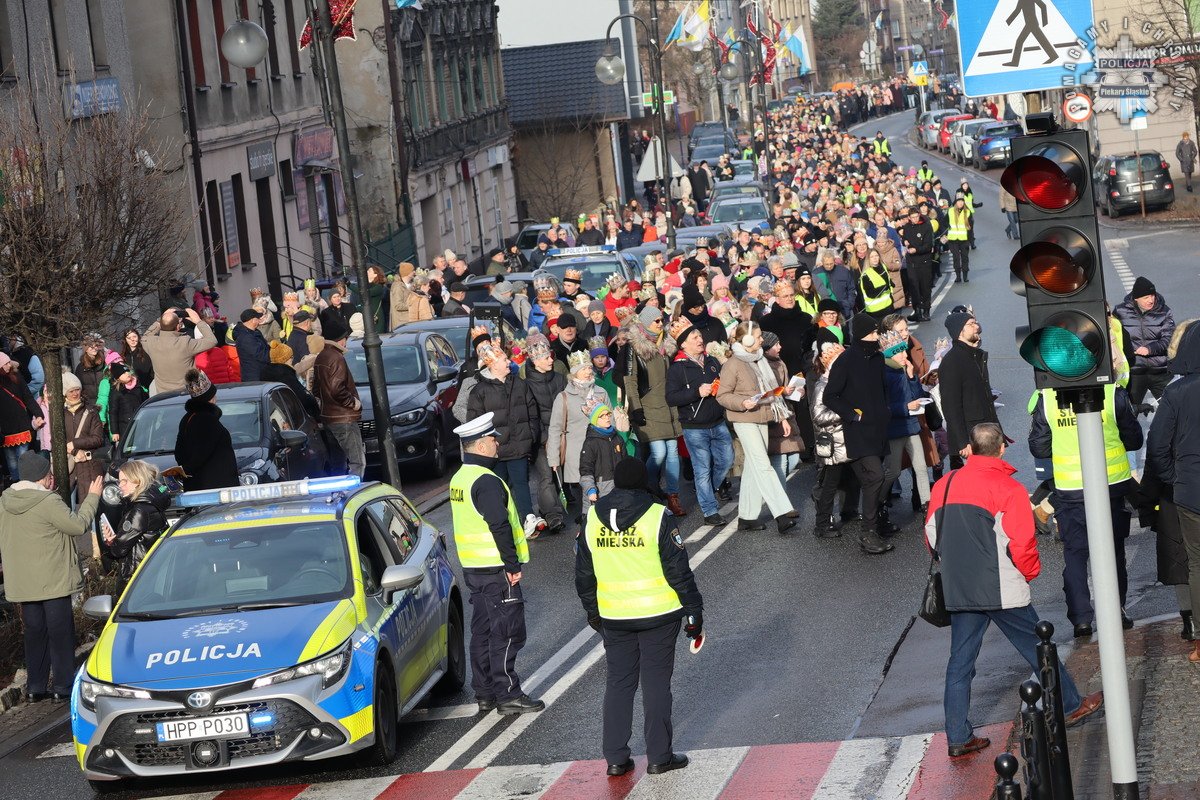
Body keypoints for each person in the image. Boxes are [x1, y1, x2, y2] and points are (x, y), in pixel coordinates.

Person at [927, 423, 1103, 758]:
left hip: (960, 586)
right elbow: (1022, 542)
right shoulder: (1008, 488)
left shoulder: (944, 485)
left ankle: (958, 736)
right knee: (1039, 649)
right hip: (1001, 586)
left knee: (960, 662)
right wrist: (1029, 573)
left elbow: (932, 535)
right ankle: (1070, 705)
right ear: (1001, 449)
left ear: (970, 448)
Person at [575, 456, 701, 777]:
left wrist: (594, 613)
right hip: (659, 614)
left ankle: (616, 758)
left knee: (619, 684)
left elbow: (584, 575)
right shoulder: (658, 515)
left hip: (614, 616)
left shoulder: (593, 518)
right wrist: (693, 610)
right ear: (644, 481)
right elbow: (678, 571)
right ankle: (660, 756)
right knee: (656, 684)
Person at [449, 412, 545, 716]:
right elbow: (499, 525)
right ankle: (508, 694)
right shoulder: (487, 481)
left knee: (483, 631)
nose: (497, 444)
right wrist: (512, 564)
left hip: (474, 567)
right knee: (507, 632)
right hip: (496, 569)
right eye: (492, 440)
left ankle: (486, 692)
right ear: (480, 445)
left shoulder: (460, 478)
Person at [1030, 379, 1143, 637]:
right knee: (1113, 552)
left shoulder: (1048, 396)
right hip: (1109, 485)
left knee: (1075, 554)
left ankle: (1081, 619)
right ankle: (1115, 611)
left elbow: (1039, 446)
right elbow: (1134, 439)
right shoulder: (1111, 391)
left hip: (1071, 489)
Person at [0, 452, 101, 702]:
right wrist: (92, 498)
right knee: (60, 632)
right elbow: (78, 526)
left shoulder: (5, 501)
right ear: (44, 478)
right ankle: (62, 685)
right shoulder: (48, 501)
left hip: (24, 582)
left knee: (34, 632)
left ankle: (35, 687)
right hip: (53, 578)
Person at [822, 314, 896, 554]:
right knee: (875, 476)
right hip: (858, 431)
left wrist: (885, 411)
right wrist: (853, 415)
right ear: (863, 334)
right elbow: (830, 396)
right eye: (873, 332)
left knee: (874, 480)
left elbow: (882, 389)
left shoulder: (878, 358)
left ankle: (876, 523)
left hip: (879, 429)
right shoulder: (846, 360)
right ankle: (868, 533)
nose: (876, 336)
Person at [1148, 321, 1200, 658]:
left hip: (1191, 491)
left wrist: (1174, 477)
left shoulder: (1177, 392)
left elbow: (1157, 445)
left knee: (1197, 564)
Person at [716, 321, 798, 533]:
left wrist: (783, 415)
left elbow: (772, 391)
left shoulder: (760, 359)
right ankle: (782, 513)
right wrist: (742, 402)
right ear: (747, 339)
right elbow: (722, 395)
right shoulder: (732, 364)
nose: (762, 340)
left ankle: (747, 517)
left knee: (753, 467)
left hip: (763, 416)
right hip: (743, 419)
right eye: (759, 336)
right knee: (763, 464)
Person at [467, 334, 542, 535]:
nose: (508, 362)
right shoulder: (479, 391)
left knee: (521, 484)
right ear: (492, 364)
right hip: (496, 451)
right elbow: (474, 422)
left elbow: (532, 411)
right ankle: (506, 525)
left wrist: (531, 435)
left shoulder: (519, 384)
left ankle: (528, 519)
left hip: (518, 445)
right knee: (500, 488)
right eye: (503, 360)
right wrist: (484, 447)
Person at [666, 321, 734, 526]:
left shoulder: (712, 360)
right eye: (694, 337)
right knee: (702, 470)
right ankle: (710, 511)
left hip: (718, 422)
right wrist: (697, 392)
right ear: (683, 344)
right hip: (694, 427)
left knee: (727, 460)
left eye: (699, 336)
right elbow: (671, 398)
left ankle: (706, 491)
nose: (700, 339)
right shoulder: (677, 368)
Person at [624, 307, 685, 517]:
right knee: (659, 452)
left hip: (669, 406)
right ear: (646, 322)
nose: (660, 324)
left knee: (673, 451)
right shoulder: (635, 346)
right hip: (648, 406)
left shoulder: (667, 343)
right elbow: (630, 381)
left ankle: (673, 496)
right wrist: (636, 408)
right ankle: (646, 488)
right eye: (656, 321)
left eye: (661, 320)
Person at [938, 310, 1000, 470]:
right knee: (979, 479)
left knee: (992, 477)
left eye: (975, 323)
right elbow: (950, 406)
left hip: (987, 434)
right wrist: (962, 442)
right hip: (971, 438)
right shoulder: (952, 361)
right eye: (971, 324)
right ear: (959, 331)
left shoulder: (975, 356)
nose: (976, 326)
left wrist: (998, 433)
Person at [520, 333, 568, 536]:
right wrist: (545, 438)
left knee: (558, 477)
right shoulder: (526, 386)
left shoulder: (560, 379)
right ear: (535, 360)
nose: (551, 360)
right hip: (541, 440)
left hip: (562, 436)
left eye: (550, 356)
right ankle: (553, 516)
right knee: (546, 476)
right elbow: (531, 416)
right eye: (546, 357)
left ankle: (549, 508)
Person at [880, 330, 931, 512]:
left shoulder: (904, 370)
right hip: (894, 430)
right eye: (899, 352)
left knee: (921, 468)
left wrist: (911, 377)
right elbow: (882, 407)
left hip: (911, 427)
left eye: (904, 350)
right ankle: (878, 501)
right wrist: (905, 407)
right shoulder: (884, 374)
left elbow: (916, 395)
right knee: (893, 471)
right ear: (890, 355)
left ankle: (927, 506)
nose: (904, 355)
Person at [312, 314, 366, 478]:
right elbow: (337, 389)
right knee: (358, 462)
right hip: (343, 418)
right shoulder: (337, 357)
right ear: (340, 340)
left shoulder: (321, 356)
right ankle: (355, 491)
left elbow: (316, 389)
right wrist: (353, 403)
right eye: (345, 338)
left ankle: (338, 491)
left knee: (338, 462)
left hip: (328, 417)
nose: (346, 341)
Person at [1113, 276, 1176, 407]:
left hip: (1160, 372)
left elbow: (1169, 338)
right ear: (1136, 298)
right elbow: (1114, 338)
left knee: (1175, 408)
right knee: (1129, 411)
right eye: (1146, 297)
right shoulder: (1120, 312)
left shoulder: (1164, 312)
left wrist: (1150, 348)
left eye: (1152, 296)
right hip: (1134, 372)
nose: (1151, 300)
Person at [104, 459, 169, 579]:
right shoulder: (151, 502)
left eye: (124, 481)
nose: (120, 485)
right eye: (119, 481)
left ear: (138, 481)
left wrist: (110, 542)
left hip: (136, 575)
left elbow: (118, 550)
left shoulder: (139, 511)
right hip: (151, 571)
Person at [174, 369, 238, 490]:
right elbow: (201, 454)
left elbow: (179, 452)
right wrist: (189, 468)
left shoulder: (187, 419)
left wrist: (185, 470)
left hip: (196, 485)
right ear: (212, 398)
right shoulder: (209, 421)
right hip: (215, 488)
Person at [141, 307, 217, 395]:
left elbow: (144, 338)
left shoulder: (151, 343)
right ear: (178, 326)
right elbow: (212, 341)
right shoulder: (185, 343)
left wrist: (160, 320)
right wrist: (198, 321)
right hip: (188, 393)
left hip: (164, 395)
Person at [0, 353, 41, 483]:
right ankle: (15, 485)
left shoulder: (16, 377)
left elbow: (28, 398)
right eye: (6, 363)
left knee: (23, 459)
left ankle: (25, 484)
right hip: (6, 430)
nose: (9, 365)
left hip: (22, 425)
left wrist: (39, 414)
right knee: (12, 463)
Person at [946, 196, 971, 283]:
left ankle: (965, 276)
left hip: (964, 239)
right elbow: (944, 222)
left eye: (962, 201)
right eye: (959, 201)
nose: (960, 203)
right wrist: (946, 231)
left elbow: (970, 228)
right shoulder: (950, 211)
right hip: (953, 240)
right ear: (955, 202)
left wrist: (970, 241)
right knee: (956, 258)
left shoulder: (967, 212)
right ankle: (958, 276)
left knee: (965, 258)